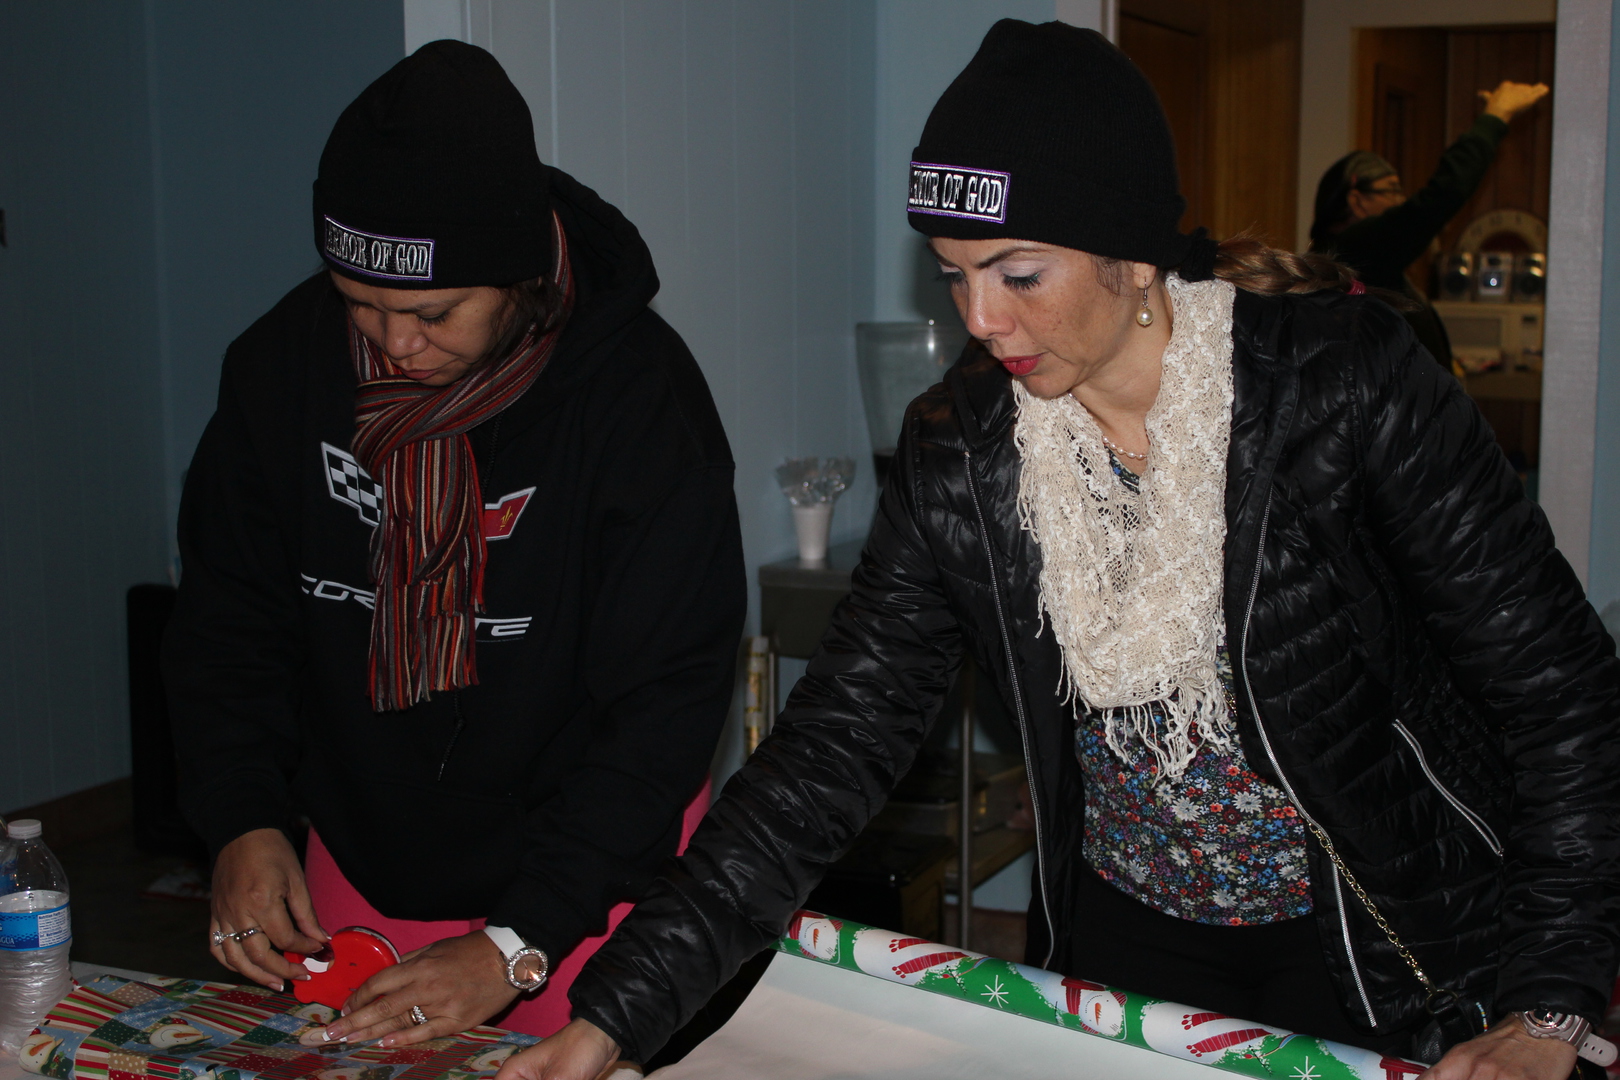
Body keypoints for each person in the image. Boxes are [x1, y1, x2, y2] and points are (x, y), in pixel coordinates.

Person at [499, 21, 1620, 1080]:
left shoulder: (1341, 386)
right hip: (1127, 940)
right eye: (954, 272)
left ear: (1131, 255)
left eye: (1017, 274)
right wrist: (614, 1016)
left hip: (1380, 946)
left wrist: (1551, 999)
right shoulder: (963, 451)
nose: (980, 318)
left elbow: (1563, 695)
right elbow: (827, 752)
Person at [161, 41, 745, 1046]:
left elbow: (663, 709)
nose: (394, 344)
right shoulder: (279, 368)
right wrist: (241, 816)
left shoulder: (639, 401)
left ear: (519, 275)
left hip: (596, 874)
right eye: (360, 302)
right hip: (364, 854)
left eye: (432, 312)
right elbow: (230, 622)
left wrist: (518, 939)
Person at [1309, 80, 1549, 372]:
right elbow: (1440, 197)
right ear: (1357, 201)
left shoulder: (1352, 255)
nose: (1400, 201)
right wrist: (1496, 117)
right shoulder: (1353, 250)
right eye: (1391, 190)